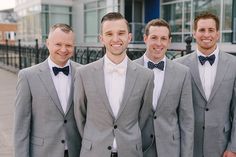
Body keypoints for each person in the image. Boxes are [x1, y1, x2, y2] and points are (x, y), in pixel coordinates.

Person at [74, 12, 154, 157]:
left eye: (121, 33)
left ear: (129, 37)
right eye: (109, 34)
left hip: (131, 152)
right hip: (94, 152)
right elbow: (80, 116)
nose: (116, 39)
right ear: (101, 39)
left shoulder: (146, 76)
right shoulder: (83, 74)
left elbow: (144, 118)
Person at [14, 23, 81, 157]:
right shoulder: (27, 76)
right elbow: (21, 126)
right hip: (43, 152)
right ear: (48, 43)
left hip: (76, 151)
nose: (63, 49)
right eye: (58, 44)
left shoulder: (83, 72)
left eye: (68, 45)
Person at [175, 12, 236, 157]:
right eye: (202, 30)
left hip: (222, 144)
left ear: (218, 34)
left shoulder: (234, 64)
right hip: (188, 145)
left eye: (211, 30)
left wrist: (233, 147)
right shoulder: (179, 65)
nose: (206, 34)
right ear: (194, 33)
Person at [134, 19, 194, 157]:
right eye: (154, 38)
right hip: (138, 148)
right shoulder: (130, 69)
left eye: (163, 38)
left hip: (170, 149)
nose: (159, 43)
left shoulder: (183, 72)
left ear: (169, 41)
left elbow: (187, 120)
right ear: (145, 38)